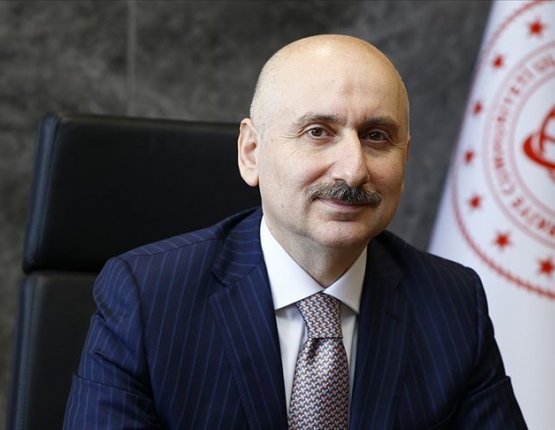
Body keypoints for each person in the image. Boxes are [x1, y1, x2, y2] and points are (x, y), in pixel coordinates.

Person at [63, 34, 526, 429]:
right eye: (318, 132)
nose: (353, 170)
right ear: (251, 152)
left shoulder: (452, 304)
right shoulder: (148, 297)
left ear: (406, 156)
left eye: (376, 136)